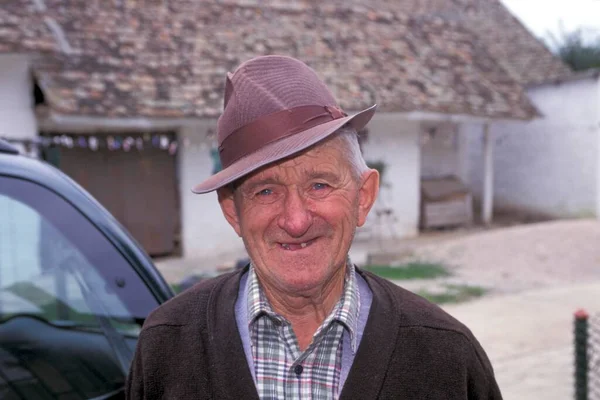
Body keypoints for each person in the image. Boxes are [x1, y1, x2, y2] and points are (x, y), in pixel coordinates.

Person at [126, 55, 502, 399]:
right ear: (233, 211)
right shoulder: (167, 346)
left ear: (363, 196)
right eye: (266, 190)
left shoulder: (447, 358)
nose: (296, 220)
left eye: (319, 185)